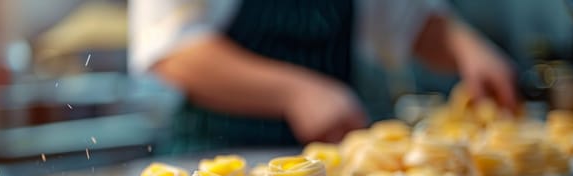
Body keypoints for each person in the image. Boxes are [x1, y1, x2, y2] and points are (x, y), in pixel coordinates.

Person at [129, 0, 518, 152]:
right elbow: (173, 51)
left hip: (329, 174)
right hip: (217, 169)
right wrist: (294, 92)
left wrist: (463, 45)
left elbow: (405, 22)